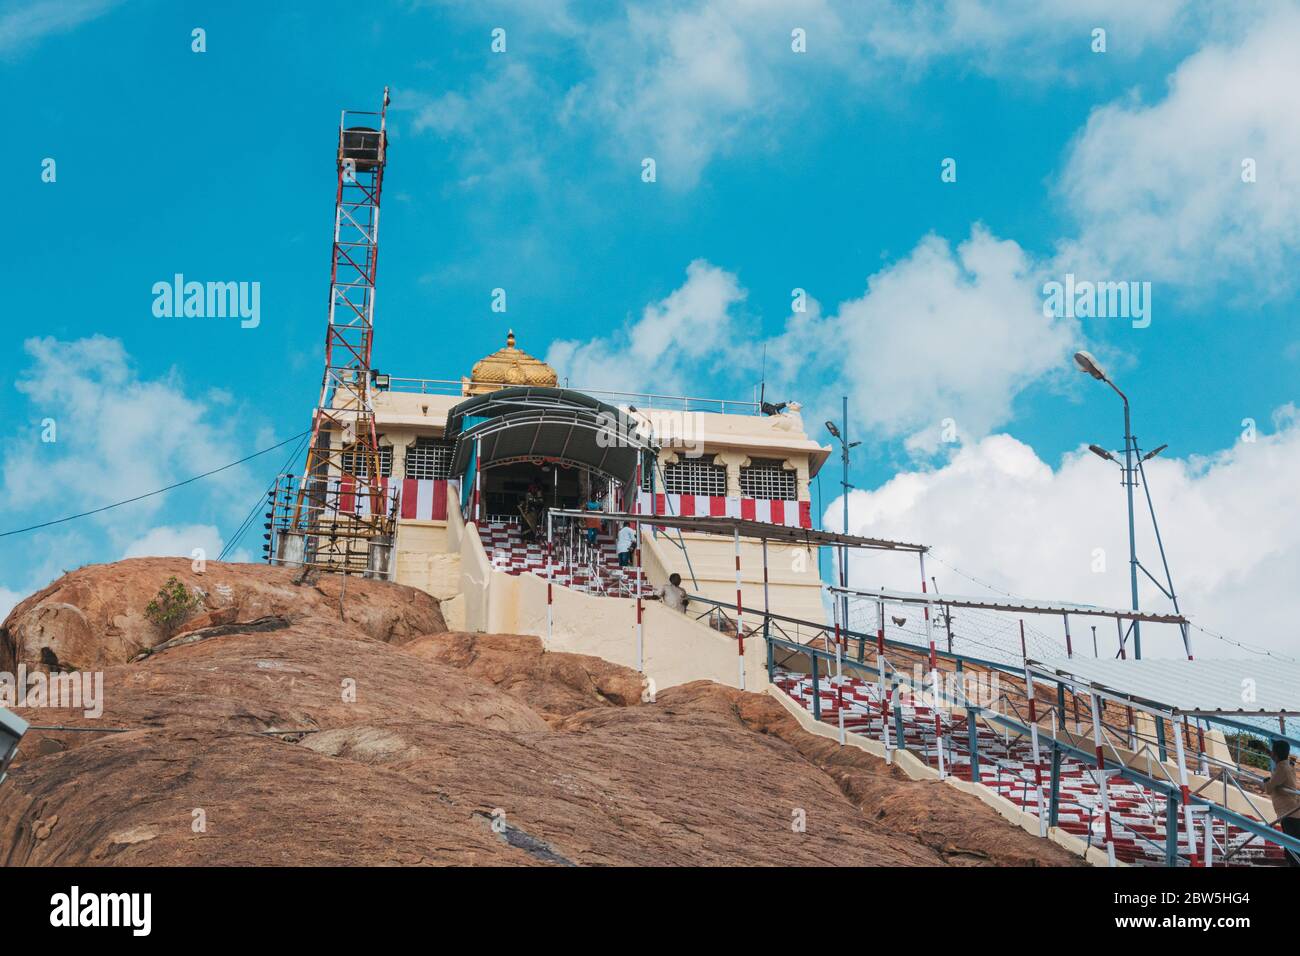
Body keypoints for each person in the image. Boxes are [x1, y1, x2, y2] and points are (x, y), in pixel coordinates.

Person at [1264, 738, 1300, 866]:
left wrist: (1266, 781)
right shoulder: (1288, 765)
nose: (1271, 754)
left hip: (1288, 813)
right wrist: (1265, 750)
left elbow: (1269, 788)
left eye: (1272, 752)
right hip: (1294, 812)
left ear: (1276, 754)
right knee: (1294, 846)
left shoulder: (1281, 769)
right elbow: (1278, 756)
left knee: (1291, 849)